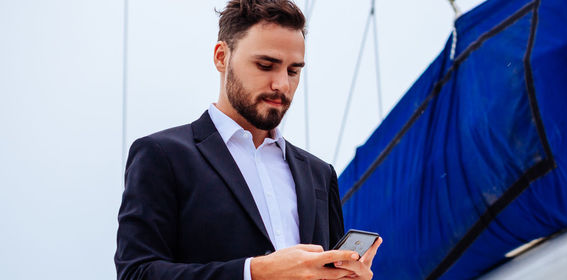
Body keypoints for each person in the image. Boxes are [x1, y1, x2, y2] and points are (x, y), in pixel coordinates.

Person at [114, 0, 381, 279]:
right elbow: (137, 273)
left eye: (293, 71)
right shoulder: (162, 156)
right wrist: (254, 272)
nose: (282, 85)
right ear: (221, 57)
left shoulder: (320, 174)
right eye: (266, 65)